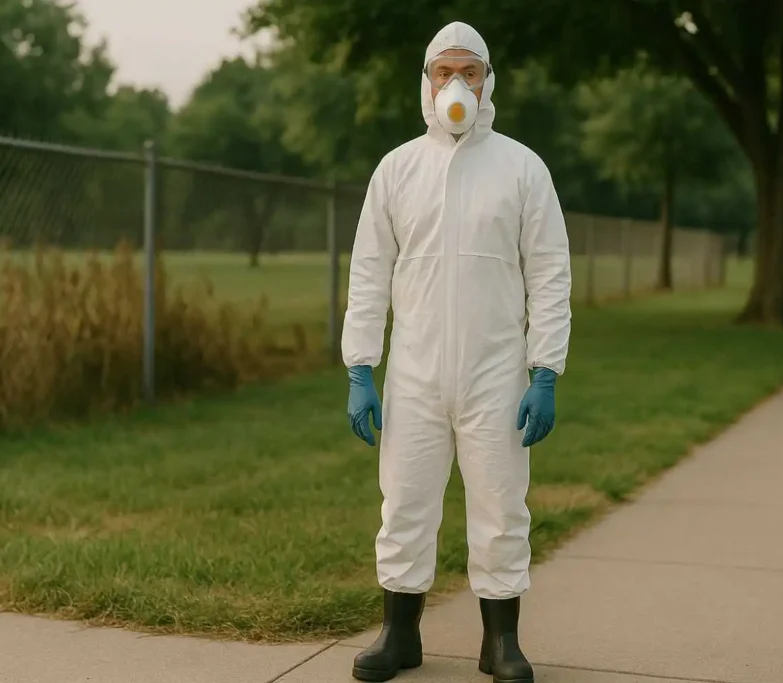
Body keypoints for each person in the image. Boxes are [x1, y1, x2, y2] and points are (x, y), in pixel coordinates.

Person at [341, 20, 572, 683]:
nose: (456, 85)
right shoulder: (397, 169)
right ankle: (400, 634)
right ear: (426, 82)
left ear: (488, 82)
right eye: (444, 72)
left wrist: (545, 371)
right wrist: (361, 366)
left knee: (502, 505)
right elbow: (368, 273)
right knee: (406, 503)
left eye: (469, 72)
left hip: (496, 374)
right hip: (414, 371)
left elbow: (550, 274)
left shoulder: (522, 168)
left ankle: (500, 642)